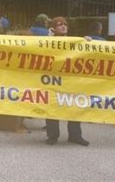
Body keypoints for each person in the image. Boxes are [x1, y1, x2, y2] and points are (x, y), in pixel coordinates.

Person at [45, 16, 89, 146]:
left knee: (74, 106)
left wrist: (87, 42)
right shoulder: (48, 42)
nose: (63, 26)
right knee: (52, 106)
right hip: (54, 80)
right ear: (54, 28)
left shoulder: (75, 42)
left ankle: (75, 135)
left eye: (65, 24)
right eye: (59, 25)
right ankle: (52, 135)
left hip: (71, 80)